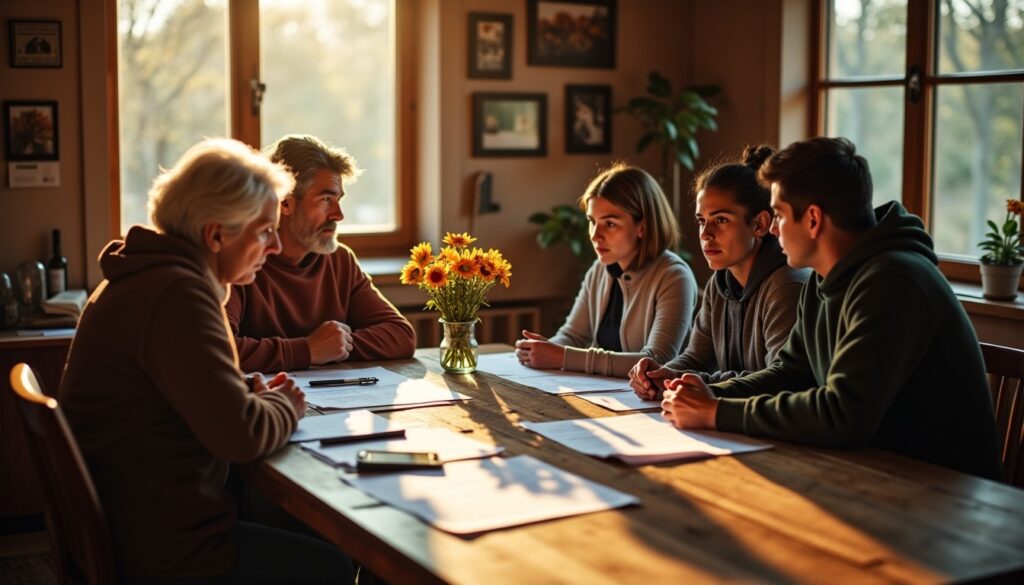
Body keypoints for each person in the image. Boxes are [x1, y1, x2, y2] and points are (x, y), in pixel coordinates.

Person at [59, 138, 354, 583]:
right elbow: (242, 435)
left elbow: (204, 393)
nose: (274, 246)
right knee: (332, 565)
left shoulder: (152, 275)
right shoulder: (178, 295)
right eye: (263, 231)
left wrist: (245, 396)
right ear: (216, 235)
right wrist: (282, 406)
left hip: (133, 520)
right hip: (167, 548)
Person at [660, 137, 1003, 480]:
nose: (773, 229)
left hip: (945, 489)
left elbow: (843, 416)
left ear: (812, 220)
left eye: (778, 214)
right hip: (870, 469)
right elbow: (791, 373)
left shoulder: (894, 280)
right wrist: (708, 394)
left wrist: (717, 412)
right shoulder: (823, 279)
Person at [629, 145, 809, 397]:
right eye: (702, 220)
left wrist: (695, 383)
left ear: (760, 224)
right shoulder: (720, 282)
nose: (705, 234)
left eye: (721, 220)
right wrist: (660, 375)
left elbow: (780, 381)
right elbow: (696, 358)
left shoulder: (786, 285)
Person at [226, 134, 416, 373]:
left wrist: (333, 347)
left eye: (338, 199)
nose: (338, 215)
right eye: (326, 199)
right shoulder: (239, 260)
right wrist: (307, 349)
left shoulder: (340, 260)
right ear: (285, 203)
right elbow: (220, 350)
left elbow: (400, 335)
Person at [515, 163, 698, 378]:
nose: (595, 235)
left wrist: (562, 356)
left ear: (643, 227)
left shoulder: (674, 276)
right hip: (609, 395)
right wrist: (540, 350)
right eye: (592, 221)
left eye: (610, 224)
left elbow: (657, 360)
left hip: (657, 405)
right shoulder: (600, 270)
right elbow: (573, 335)